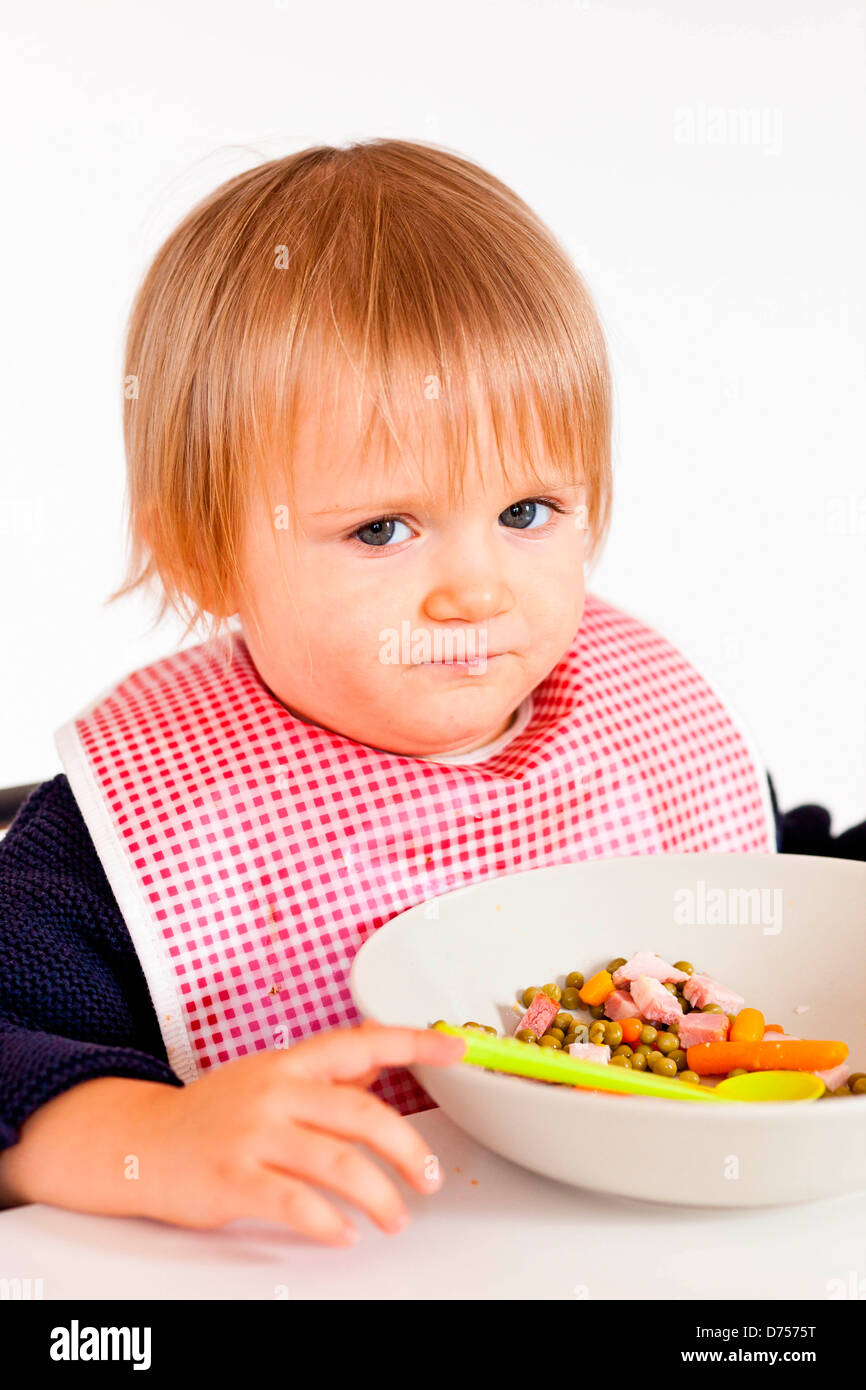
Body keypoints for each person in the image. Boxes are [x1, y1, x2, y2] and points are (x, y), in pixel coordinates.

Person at [1, 139, 862, 1245]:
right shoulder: (134, 832)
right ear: (206, 556)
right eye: (381, 528)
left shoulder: (639, 723)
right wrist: (140, 1140)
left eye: (525, 512)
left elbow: (776, 871)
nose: (474, 589)